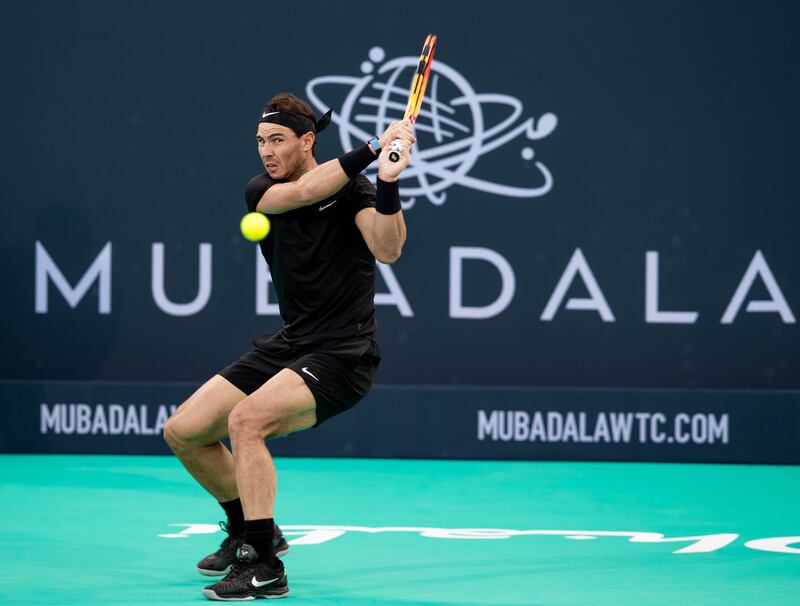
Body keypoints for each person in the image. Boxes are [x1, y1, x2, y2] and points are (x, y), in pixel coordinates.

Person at [163, 92, 414, 600]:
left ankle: (265, 565)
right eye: (260, 141)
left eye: (277, 140)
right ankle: (250, 530)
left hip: (343, 353)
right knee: (185, 431)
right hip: (292, 342)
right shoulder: (263, 190)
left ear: (308, 140)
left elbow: (388, 250)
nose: (265, 151)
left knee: (247, 423)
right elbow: (303, 193)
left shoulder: (356, 191)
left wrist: (388, 183)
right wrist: (372, 145)